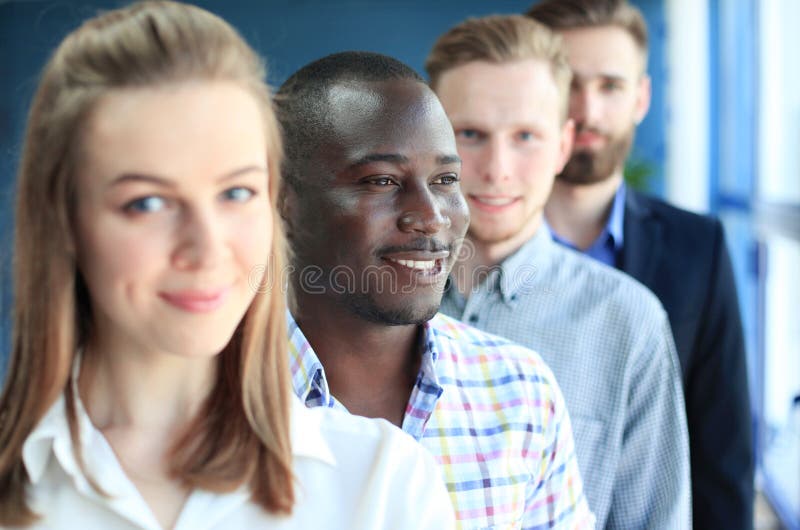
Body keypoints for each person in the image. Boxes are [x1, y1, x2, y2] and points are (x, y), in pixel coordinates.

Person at [0, 2, 456, 529]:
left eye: (236, 192)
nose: (208, 247)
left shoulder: (382, 483)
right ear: (64, 220)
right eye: (148, 202)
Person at [275, 51, 595, 529]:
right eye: (382, 181)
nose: (431, 216)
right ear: (286, 203)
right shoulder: (210, 393)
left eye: (446, 180)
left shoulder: (519, 392)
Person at [426, 15, 690, 528]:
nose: (498, 168)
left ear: (563, 146)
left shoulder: (629, 322)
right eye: (471, 133)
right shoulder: (364, 304)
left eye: (525, 136)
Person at [527, 1, 754, 528]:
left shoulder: (699, 247)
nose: (587, 110)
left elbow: (724, 455)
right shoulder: (467, 251)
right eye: (569, 84)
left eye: (610, 85)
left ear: (641, 97)